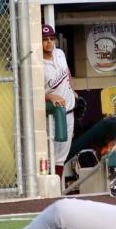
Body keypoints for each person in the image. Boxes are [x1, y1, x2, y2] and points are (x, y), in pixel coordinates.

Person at [42, 23, 75, 178]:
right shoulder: (38, 63)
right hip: (52, 115)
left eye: (51, 38)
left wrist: (73, 91)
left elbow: (67, 72)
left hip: (69, 111)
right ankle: (51, 186)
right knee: (51, 154)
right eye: (45, 39)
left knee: (62, 156)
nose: (49, 42)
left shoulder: (60, 53)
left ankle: (57, 188)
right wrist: (50, 96)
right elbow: (33, 93)